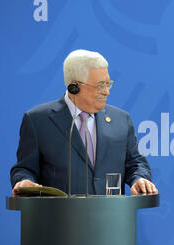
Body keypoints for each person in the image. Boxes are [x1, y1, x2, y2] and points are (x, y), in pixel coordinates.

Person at [11, 49, 157, 196]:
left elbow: (136, 163)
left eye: (108, 84)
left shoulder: (121, 120)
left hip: (112, 216)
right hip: (58, 216)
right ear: (74, 87)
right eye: (100, 85)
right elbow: (25, 168)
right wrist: (23, 181)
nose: (107, 92)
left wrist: (139, 179)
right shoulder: (38, 120)